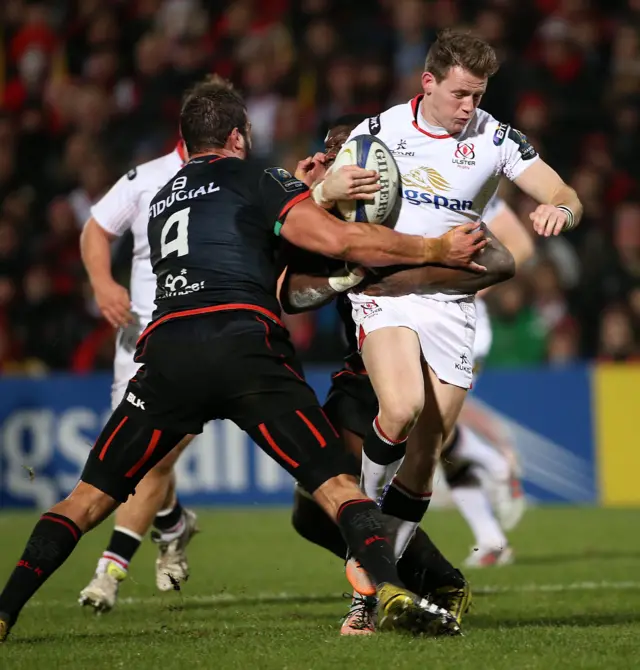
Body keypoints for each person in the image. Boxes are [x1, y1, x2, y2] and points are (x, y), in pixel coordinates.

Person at [0, 77, 486, 643]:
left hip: (167, 355)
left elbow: (245, 246)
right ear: (237, 136)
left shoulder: (162, 199)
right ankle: (391, 588)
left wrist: (307, 195)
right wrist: (433, 247)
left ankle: (7, 609)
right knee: (337, 487)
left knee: (85, 500)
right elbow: (340, 243)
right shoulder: (258, 176)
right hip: (242, 346)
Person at [333, 30, 582, 564]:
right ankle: (363, 525)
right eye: (460, 94)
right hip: (388, 293)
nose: (469, 107)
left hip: (451, 305)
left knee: (428, 453)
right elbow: (325, 205)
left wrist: (559, 209)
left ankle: (377, 575)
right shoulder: (379, 133)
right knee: (400, 408)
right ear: (428, 82)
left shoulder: (495, 139)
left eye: (478, 95)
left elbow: (564, 194)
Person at [282, 115, 515, 634]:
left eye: (357, 149)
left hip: (411, 359)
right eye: (336, 150)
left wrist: (410, 274)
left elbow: (500, 259)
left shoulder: (421, 204)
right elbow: (288, 292)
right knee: (311, 509)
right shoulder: (317, 215)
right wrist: (341, 262)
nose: (347, 159)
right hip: (357, 369)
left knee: (344, 497)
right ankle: (435, 582)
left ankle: (370, 599)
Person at [79, 138, 198, 613]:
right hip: (137, 340)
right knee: (136, 460)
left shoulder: (236, 179)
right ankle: (171, 523)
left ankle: (110, 570)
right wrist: (103, 282)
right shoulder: (147, 178)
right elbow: (96, 228)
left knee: (152, 457)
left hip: (195, 344)